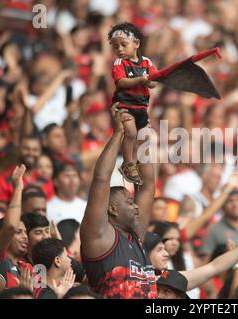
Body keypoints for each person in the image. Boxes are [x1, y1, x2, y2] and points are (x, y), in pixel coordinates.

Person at [80, 107, 157, 299]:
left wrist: (141, 133)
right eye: (130, 202)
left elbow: (147, 186)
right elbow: (100, 179)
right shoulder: (99, 235)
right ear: (112, 209)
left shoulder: (135, 234)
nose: (136, 206)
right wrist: (118, 134)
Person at [108, 22, 157, 185]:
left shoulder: (147, 62)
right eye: (116, 47)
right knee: (130, 133)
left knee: (143, 136)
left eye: (123, 45)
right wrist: (141, 79)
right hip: (125, 104)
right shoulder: (119, 63)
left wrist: (150, 82)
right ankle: (128, 163)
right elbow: (121, 82)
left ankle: (134, 162)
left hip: (141, 106)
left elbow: (154, 81)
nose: (119, 49)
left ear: (136, 44)